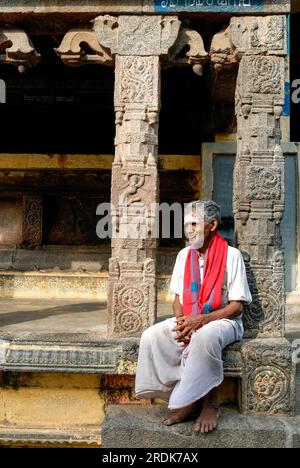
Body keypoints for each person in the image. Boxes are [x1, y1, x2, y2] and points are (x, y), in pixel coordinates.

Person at [135, 200, 252, 433]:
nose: (189, 229)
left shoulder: (232, 255)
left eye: (194, 224)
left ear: (212, 225)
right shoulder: (183, 255)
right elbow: (177, 299)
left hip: (224, 321)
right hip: (190, 318)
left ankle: (209, 402)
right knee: (152, 335)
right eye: (186, 224)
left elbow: (236, 307)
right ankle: (184, 398)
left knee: (203, 337)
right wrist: (182, 321)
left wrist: (199, 321)